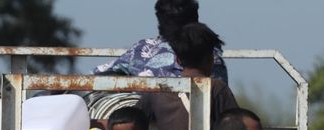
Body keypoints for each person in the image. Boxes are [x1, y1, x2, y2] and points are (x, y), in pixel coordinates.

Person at [137, 22, 239, 130]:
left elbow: (133, 122)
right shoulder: (216, 88)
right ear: (211, 58)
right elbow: (236, 129)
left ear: (178, 60)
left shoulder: (158, 91)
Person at [94, 0, 228, 82]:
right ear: (196, 19)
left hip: (139, 119)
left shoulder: (141, 48)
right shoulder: (208, 53)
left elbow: (97, 75)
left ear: (160, 20)